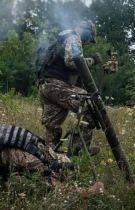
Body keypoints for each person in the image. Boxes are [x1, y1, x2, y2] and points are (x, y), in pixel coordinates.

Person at [38, 20, 116, 156]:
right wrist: (93, 60)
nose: (88, 42)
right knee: (90, 104)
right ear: (86, 31)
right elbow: (72, 61)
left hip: (46, 86)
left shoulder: (62, 38)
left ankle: (49, 156)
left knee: (52, 125)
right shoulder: (74, 37)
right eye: (90, 39)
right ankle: (78, 150)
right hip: (57, 85)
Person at [0, 124, 104, 193]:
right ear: (54, 167)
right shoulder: (34, 162)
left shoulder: (43, 148)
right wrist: (88, 191)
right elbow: (58, 188)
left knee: (5, 174)